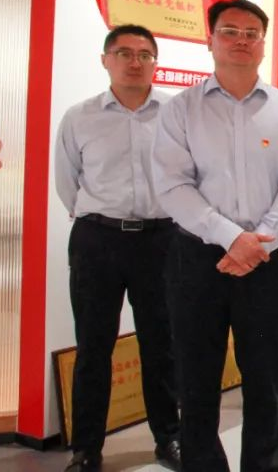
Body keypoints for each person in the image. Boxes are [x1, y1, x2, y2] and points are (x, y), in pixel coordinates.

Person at [152, 0, 278, 472]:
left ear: (264, 44)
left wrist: (258, 242)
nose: (241, 41)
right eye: (229, 31)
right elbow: (172, 185)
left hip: (266, 261)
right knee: (196, 375)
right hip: (196, 259)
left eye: (251, 33)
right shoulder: (181, 109)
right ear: (210, 40)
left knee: (264, 375)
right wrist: (231, 238)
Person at [54, 24, 181, 472]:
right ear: (105, 60)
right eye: (124, 53)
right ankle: (86, 449)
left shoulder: (175, 113)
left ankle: (169, 437)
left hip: (160, 240)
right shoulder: (79, 117)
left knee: (161, 343)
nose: (134, 62)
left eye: (144, 55)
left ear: (155, 63)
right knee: (94, 346)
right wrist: (97, 217)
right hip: (98, 240)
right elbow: (68, 182)